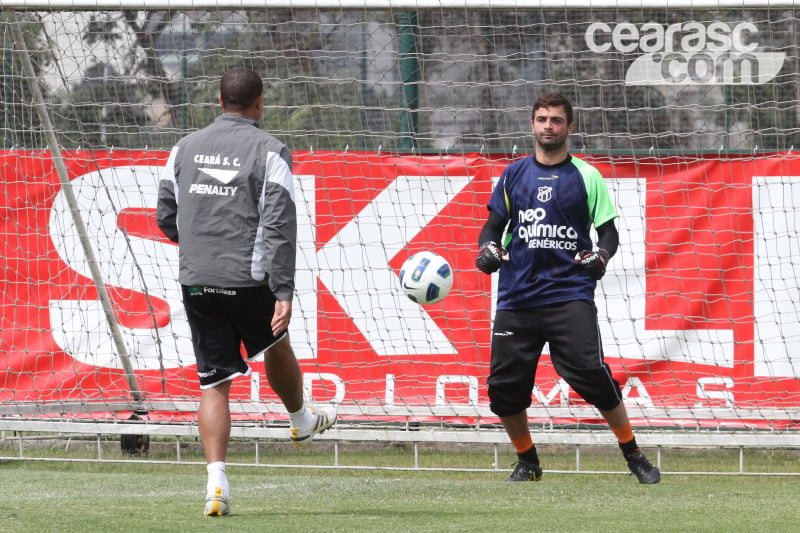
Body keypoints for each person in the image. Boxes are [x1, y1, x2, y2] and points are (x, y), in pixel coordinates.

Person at [156, 67, 337, 516]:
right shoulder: (271, 151)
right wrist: (283, 289)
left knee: (214, 382)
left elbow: (164, 214)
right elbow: (278, 225)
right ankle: (301, 422)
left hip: (195, 278)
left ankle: (216, 483)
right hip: (248, 279)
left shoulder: (183, 148)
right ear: (260, 104)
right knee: (275, 341)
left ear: (218, 101)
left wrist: (201, 245)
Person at [475, 92, 660, 484]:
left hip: (569, 295)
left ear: (569, 128)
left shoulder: (587, 176)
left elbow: (608, 233)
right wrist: (488, 250)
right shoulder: (512, 174)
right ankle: (528, 461)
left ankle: (634, 455)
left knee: (592, 373)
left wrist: (601, 256)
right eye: (541, 119)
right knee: (503, 390)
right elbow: (493, 228)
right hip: (517, 297)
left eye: (556, 120)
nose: (548, 126)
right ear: (532, 124)